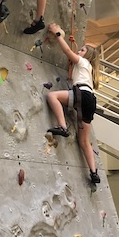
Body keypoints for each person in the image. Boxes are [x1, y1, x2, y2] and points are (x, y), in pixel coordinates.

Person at [44, 22, 102, 185]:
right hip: (90, 101)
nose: (79, 51)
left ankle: (62, 126)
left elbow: (68, 52)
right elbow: (71, 74)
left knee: (52, 97)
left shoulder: (83, 63)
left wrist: (58, 34)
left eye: (82, 50)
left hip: (81, 95)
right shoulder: (87, 69)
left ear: (87, 55)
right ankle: (93, 172)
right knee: (84, 141)